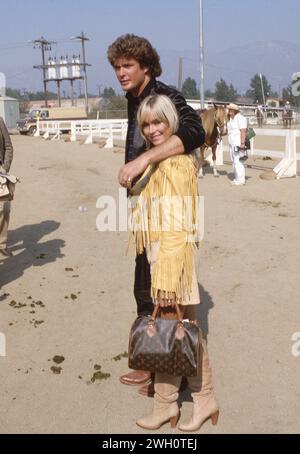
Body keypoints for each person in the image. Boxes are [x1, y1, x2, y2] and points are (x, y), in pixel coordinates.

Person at [107, 34, 205, 391]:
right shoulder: (134, 99)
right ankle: (156, 361)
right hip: (146, 209)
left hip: (168, 211)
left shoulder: (163, 96)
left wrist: (143, 160)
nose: (120, 72)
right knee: (144, 286)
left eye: (127, 66)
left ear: (145, 66)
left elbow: (195, 130)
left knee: (163, 290)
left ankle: (165, 369)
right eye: (117, 67)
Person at [130, 94, 218, 431]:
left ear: (172, 122)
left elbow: (177, 225)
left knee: (177, 331)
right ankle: (169, 404)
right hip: (167, 258)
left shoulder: (176, 165)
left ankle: (197, 399)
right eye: (147, 124)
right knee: (176, 332)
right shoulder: (160, 162)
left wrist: (166, 278)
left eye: (159, 122)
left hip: (173, 259)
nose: (152, 130)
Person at [0, 117, 14, 258]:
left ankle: (2, 246)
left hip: (0, 173)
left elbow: (8, 147)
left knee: (4, 208)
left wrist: (5, 167)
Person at [227, 103, 247, 186]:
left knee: (238, 161)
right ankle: (236, 178)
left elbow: (243, 131)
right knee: (233, 161)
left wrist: (242, 143)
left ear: (234, 111)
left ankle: (241, 180)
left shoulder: (240, 118)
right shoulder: (231, 119)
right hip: (232, 143)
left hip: (238, 143)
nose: (229, 111)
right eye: (229, 109)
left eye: (230, 110)